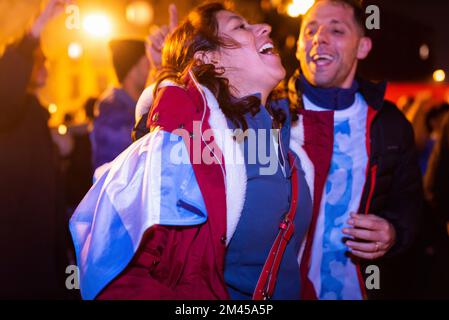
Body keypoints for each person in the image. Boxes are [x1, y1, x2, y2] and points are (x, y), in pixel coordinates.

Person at [70, 2, 325, 300]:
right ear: (210, 59)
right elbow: (132, 277)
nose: (265, 27)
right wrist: (163, 77)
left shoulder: (290, 145)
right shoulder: (187, 146)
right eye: (240, 26)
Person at [285, 0, 422, 299]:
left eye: (336, 30)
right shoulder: (271, 116)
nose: (319, 38)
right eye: (309, 31)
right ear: (297, 47)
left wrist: (394, 233)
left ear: (362, 47)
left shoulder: (389, 124)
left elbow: (410, 203)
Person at [0, 0, 70, 298]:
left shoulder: (33, 115)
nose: (46, 65)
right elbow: (6, 87)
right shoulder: (9, 112)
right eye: (39, 59)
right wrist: (36, 29)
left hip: (42, 255)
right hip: (16, 260)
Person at [90, 39, 150, 169]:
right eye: (147, 63)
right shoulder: (112, 109)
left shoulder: (130, 105)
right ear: (132, 69)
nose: (151, 70)